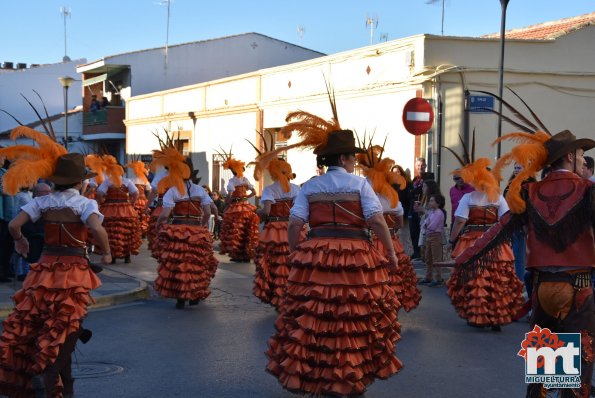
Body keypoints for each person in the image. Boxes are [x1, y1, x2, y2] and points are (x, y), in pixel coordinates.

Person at [266, 108, 402, 396]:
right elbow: (376, 220)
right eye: (353, 157)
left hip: (318, 254)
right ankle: (352, 374)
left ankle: (321, 376)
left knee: (318, 318)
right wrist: (389, 253)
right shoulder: (359, 184)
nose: (355, 162)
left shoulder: (311, 186)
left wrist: (296, 254)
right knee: (354, 318)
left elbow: (295, 224)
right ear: (343, 158)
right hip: (355, 254)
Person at [452, 127, 594, 396]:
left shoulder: (531, 191)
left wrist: (464, 259)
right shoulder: (588, 190)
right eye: (580, 154)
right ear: (570, 157)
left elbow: (498, 230)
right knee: (578, 367)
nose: (583, 160)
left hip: (542, 289)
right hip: (578, 288)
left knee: (547, 367)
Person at [0, 147, 111, 398]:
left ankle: (59, 384)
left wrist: (21, 241)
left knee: (40, 322)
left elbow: (13, 225)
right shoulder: (84, 203)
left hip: (44, 270)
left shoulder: (42, 201)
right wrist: (106, 253)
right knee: (67, 325)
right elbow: (97, 229)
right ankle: (47, 374)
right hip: (73, 272)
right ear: (80, 183)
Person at [445, 147, 523, 332]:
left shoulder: (468, 198)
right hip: (494, 241)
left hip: (471, 240)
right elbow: (506, 220)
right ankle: (496, 316)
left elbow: (459, 222)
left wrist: (451, 240)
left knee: (474, 278)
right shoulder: (498, 199)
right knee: (497, 278)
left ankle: (477, 315)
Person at [357, 145, 422, 312]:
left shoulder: (364, 197)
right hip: (391, 241)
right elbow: (400, 224)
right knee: (393, 276)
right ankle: (391, 308)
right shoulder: (393, 200)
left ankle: (374, 308)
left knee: (371, 277)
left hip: (369, 241)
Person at [154, 152, 218, 309]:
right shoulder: (200, 190)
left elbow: (164, 215)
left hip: (177, 230)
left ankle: (180, 298)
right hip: (196, 230)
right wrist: (202, 225)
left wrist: (158, 225)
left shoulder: (173, 191)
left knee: (178, 263)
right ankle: (194, 295)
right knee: (196, 264)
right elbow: (209, 212)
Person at [251, 153, 303, 308]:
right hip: (292, 227)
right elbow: (298, 210)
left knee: (275, 264)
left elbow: (266, 212)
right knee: (292, 262)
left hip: (274, 230)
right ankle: (293, 296)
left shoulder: (270, 189)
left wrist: (256, 213)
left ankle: (278, 298)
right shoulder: (295, 188)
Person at [95, 155, 141, 263]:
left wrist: (102, 202)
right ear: (122, 171)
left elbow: (99, 193)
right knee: (127, 231)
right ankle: (127, 255)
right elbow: (136, 193)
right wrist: (132, 203)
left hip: (109, 208)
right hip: (125, 208)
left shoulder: (107, 181)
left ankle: (113, 256)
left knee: (111, 232)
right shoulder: (127, 181)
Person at [218, 153, 260, 262]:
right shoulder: (245, 179)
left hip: (236, 207)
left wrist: (227, 203)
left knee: (237, 230)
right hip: (245, 206)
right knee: (246, 229)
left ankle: (238, 255)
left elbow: (230, 194)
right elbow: (254, 192)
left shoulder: (232, 181)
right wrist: (245, 197)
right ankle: (246, 254)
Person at [421, 194, 446, 287]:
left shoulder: (439, 213)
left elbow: (432, 226)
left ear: (438, 203)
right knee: (428, 257)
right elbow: (425, 222)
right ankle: (428, 277)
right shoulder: (431, 212)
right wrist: (426, 226)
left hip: (435, 236)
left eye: (432, 201)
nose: (430, 202)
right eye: (430, 200)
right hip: (429, 235)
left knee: (436, 258)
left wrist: (426, 227)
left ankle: (438, 278)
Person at [126, 159, 151, 237]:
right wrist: (148, 199)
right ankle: (143, 232)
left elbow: (128, 191)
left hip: (132, 200)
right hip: (143, 200)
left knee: (134, 216)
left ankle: (133, 232)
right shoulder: (145, 181)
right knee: (143, 217)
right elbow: (149, 191)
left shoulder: (130, 180)